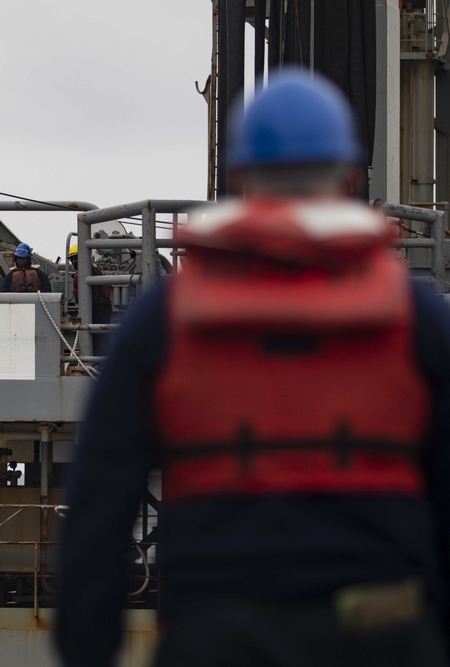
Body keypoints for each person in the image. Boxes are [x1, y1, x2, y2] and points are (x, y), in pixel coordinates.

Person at [57, 71, 450, 667]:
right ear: (349, 178)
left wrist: (88, 645)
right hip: (382, 632)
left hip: (218, 633)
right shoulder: (418, 319)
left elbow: (100, 498)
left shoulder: (163, 321)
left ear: (237, 178)